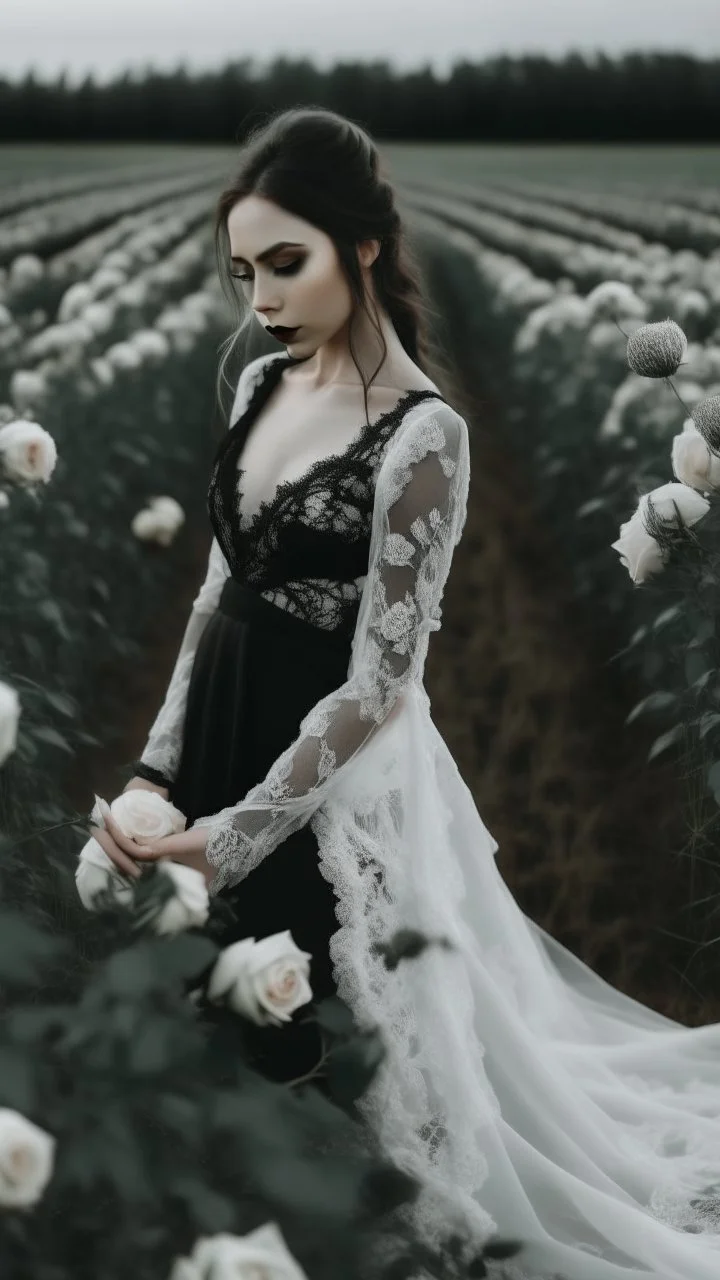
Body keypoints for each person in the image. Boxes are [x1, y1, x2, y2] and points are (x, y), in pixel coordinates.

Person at [90, 108, 720, 1280]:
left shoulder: (425, 435)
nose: (263, 294)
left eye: (288, 261)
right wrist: (151, 770)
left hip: (322, 778)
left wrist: (230, 839)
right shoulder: (257, 387)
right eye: (244, 270)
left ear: (362, 245)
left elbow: (380, 683)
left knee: (324, 1063)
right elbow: (207, 602)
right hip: (224, 733)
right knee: (208, 1047)